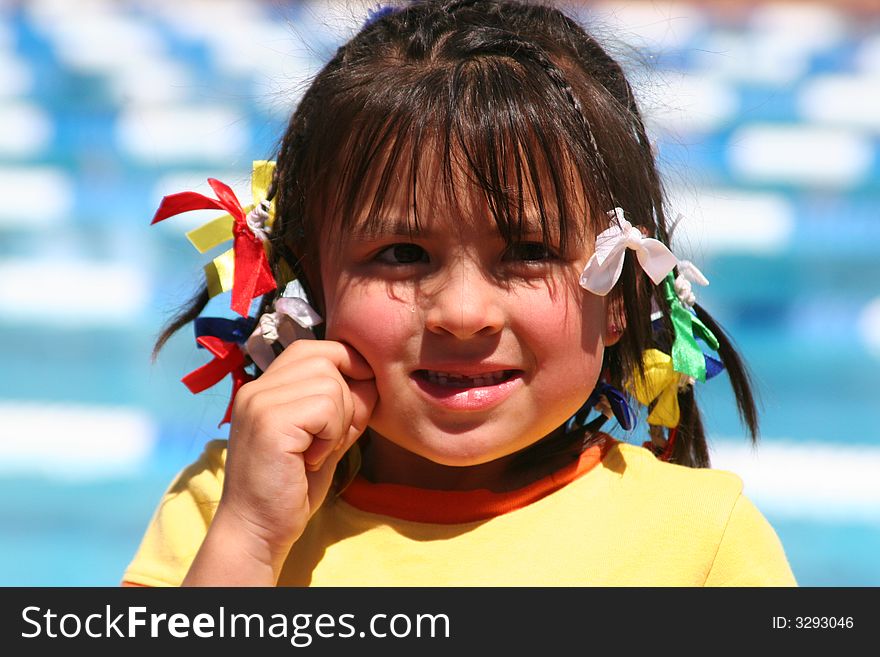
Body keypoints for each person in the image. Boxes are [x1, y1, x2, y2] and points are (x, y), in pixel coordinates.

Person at [124, 0, 796, 587]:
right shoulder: (225, 505)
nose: (464, 312)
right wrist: (252, 542)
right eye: (402, 255)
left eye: (530, 253)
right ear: (307, 278)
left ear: (620, 288)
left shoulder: (700, 542)